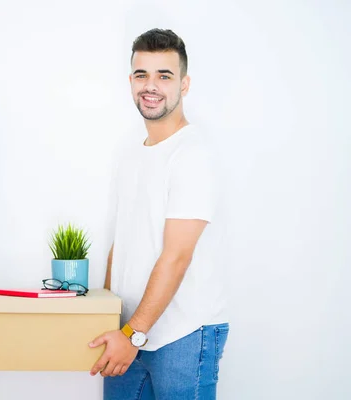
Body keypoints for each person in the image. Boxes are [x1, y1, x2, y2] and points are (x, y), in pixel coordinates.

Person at [89, 29, 229, 399]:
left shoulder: (192, 154)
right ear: (131, 80)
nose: (151, 86)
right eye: (141, 75)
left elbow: (177, 256)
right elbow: (122, 243)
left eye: (164, 76)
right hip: (128, 335)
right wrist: (109, 319)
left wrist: (134, 333)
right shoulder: (132, 151)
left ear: (184, 84)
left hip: (181, 334)